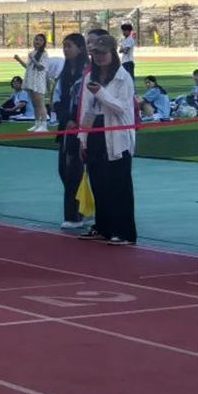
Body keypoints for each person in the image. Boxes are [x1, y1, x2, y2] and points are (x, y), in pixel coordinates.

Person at [78, 34, 137, 245]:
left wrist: (101, 93)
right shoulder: (89, 77)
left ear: (113, 53)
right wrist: (83, 137)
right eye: (95, 53)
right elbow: (86, 110)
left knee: (119, 183)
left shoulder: (123, 77)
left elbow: (122, 108)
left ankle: (125, 232)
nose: (99, 57)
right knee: (98, 181)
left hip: (117, 134)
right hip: (95, 131)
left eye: (103, 53)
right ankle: (103, 227)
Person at [52, 34, 89, 230]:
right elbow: (56, 99)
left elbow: (87, 101)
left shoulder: (87, 72)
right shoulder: (63, 73)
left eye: (69, 46)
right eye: (64, 46)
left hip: (81, 127)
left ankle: (74, 215)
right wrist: (65, 118)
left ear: (80, 48)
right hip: (65, 127)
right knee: (63, 170)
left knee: (74, 170)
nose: (65, 50)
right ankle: (83, 208)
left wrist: (75, 119)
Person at [13, 33, 49, 132]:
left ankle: (44, 125)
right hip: (30, 81)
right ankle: (37, 124)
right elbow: (28, 67)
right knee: (34, 105)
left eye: (40, 40)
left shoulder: (44, 54)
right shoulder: (32, 53)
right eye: (36, 39)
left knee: (40, 104)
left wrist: (33, 59)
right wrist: (19, 60)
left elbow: (41, 67)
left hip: (38, 82)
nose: (37, 41)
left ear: (44, 43)